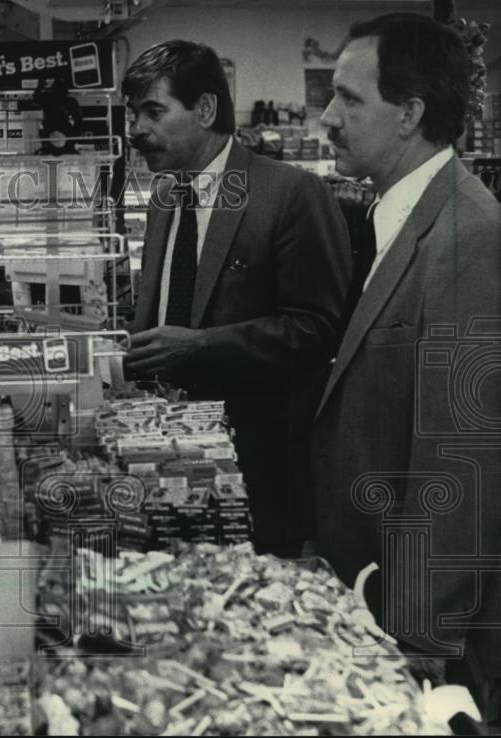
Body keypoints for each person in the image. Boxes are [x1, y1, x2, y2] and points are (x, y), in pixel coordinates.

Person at [312, 13, 501, 724]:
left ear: (410, 114)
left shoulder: (468, 238)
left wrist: (417, 642)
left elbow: (464, 458)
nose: (328, 117)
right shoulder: (400, 216)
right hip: (371, 587)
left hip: (413, 626)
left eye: (349, 99)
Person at [122, 40, 351, 557]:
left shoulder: (291, 194)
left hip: (259, 474)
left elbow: (316, 331)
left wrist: (203, 346)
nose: (137, 129)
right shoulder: (164, 197)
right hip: (166, 466)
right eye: (133, 113)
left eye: (153, 111)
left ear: (204, 110)